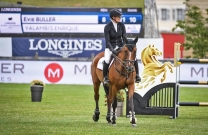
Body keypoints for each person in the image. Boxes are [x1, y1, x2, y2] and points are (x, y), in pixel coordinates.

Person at [103, 8, 141, 86]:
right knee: (107, 59)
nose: (120, 18)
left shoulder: (122, 25)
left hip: (121, 46)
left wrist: (123, 46)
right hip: (110, 47)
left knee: (134, 58)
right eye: (118, 17)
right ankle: (105, 77)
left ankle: (137, 76)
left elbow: (124, 38)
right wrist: (112, 50)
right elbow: (107, 41)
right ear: (113, 17)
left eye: (120, 17)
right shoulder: (107, 27)